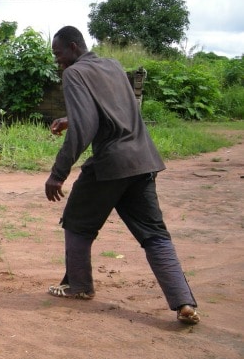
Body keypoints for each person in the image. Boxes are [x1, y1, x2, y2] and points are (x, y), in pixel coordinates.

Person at [44, 26, 200, 325]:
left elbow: (85, 127)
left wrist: (57, 173)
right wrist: (68, 119)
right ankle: (183, 302)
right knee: (155, 235)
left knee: (77, 222)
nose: (57, 61)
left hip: (111, 163)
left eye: (59, 53)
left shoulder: (74, 74)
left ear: (74, 48)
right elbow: (111, 109)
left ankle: (78, 286)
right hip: (143, 160)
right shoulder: (113, 65)